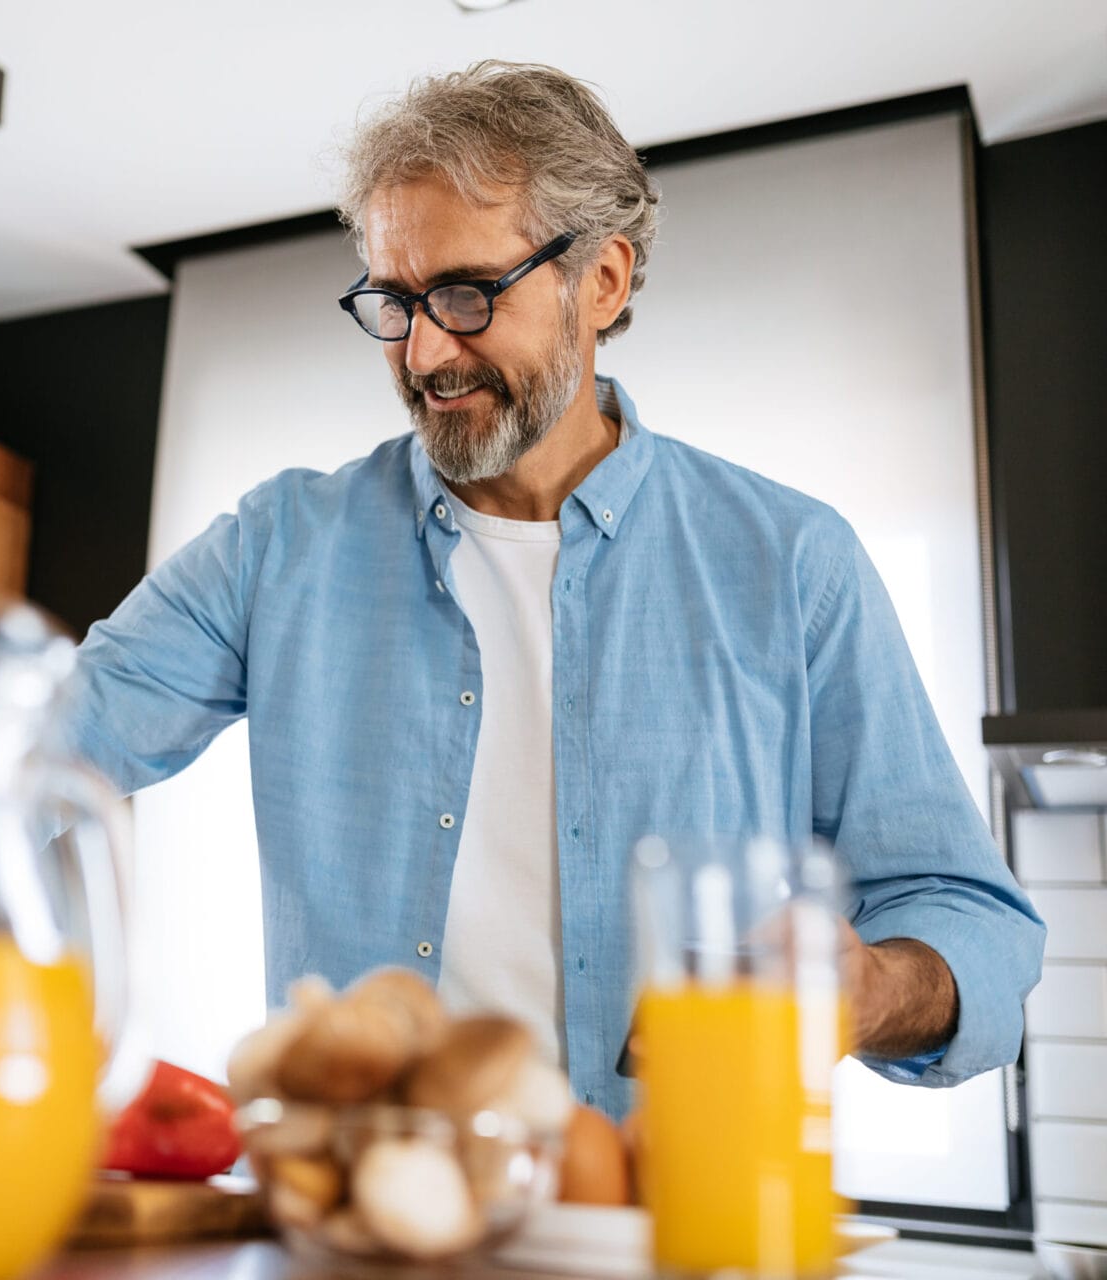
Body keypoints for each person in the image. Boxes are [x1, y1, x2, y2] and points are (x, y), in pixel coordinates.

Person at [65, 61, 1044, 1119]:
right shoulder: (278, 545)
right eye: (394, 303)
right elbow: (46, 741)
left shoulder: (794, 561)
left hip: (677, 1229)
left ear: (604, 281)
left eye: (466, 294)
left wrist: (866, 991)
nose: (427, 350)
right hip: (367, 1226)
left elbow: (976, 928)